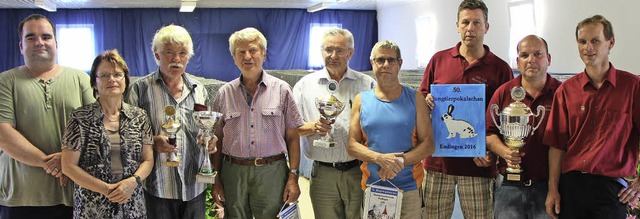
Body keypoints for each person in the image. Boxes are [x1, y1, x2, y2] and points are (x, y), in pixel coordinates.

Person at [418, 0, 513, 218]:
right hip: (438, 163)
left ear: (486, 27)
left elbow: (503, 120)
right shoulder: (438, 60)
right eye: (466, 22)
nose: (470, 28)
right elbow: (422, 100)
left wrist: (492, 154)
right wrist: (427, 101)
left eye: (477, 23)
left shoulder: (500, 69)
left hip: (478, 164)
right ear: (457, 25)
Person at [543, 15, 640, 219]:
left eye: (595, 40)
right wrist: (553, 190)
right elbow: (556, 145)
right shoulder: (566, 91)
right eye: (582, 41)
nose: (588, 47)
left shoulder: (632, 87)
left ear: (610, 42)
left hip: (611, 190)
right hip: (571, 188)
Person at [0, 14, 95, 219]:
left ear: (56, 43)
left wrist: (67, 159)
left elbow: (96, 127)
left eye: (45, 36)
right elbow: (4, 134)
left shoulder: (80, 78)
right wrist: (49, 162)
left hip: (74, 193)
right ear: (21, 46)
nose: (39, 42)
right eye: (31, 37)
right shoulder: (6, 81)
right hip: (22, 196)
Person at [211, 27, 304, 219]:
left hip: (272, 171)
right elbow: (217, 139)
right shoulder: (224, 93)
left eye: (253, 50)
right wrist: (216, 178)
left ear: (263, 53)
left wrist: (293, 177)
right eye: (240, 51)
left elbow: (293, 138)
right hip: (233, 172)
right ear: (234, 57)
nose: (247, 56)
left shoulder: (282, 90)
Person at [126, 24, 216, 219]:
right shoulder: (139, 90)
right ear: (157, 55)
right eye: (169, 52)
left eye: (182, 53)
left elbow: (206, 129)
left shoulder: (200, 90)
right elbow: (126, 137)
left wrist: (209, 140)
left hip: (194, 187)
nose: (176, 59)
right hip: (158, 187)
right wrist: (150, 142)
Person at [292, 27, 375, 219]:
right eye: (328, 50)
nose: (333, 55)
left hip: (358, 170)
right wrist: (312, 127)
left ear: (350, 53)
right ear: (321, 52)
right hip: (323, 173)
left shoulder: (367, 84)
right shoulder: (305, 85)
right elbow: (291, 129)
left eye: (339, 50)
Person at [61, 50, 154, 219]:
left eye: (117, 74)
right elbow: (68, 166)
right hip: (91, 208)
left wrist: (132, 182)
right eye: (104, 75)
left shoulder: (140, 116)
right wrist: (106, 189)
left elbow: (148, 160)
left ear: (125, 80)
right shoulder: (79, 117)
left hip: (132, 206)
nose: (112, 79)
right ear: (95, 83)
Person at [348, 40, 434, 219]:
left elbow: (428, 144)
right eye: (380, 60)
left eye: (391, 60)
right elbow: (352, 145)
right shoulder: (361, 100)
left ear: (399, 63)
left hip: (409, 189)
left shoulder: (416, 98)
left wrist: (399, 161)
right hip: (373, 188)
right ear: (372, 63)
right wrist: (379, 159)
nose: (385, 65)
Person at [486, 35, 561, 219]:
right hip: (508, 187)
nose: (531, 60)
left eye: (538, 54)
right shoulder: (504, 92)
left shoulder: (562, 93)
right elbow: (488, 133)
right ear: (518, 61)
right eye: (525, 55)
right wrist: (504, 151)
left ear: (548, 59)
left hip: (547, 186)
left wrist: (554, 188)